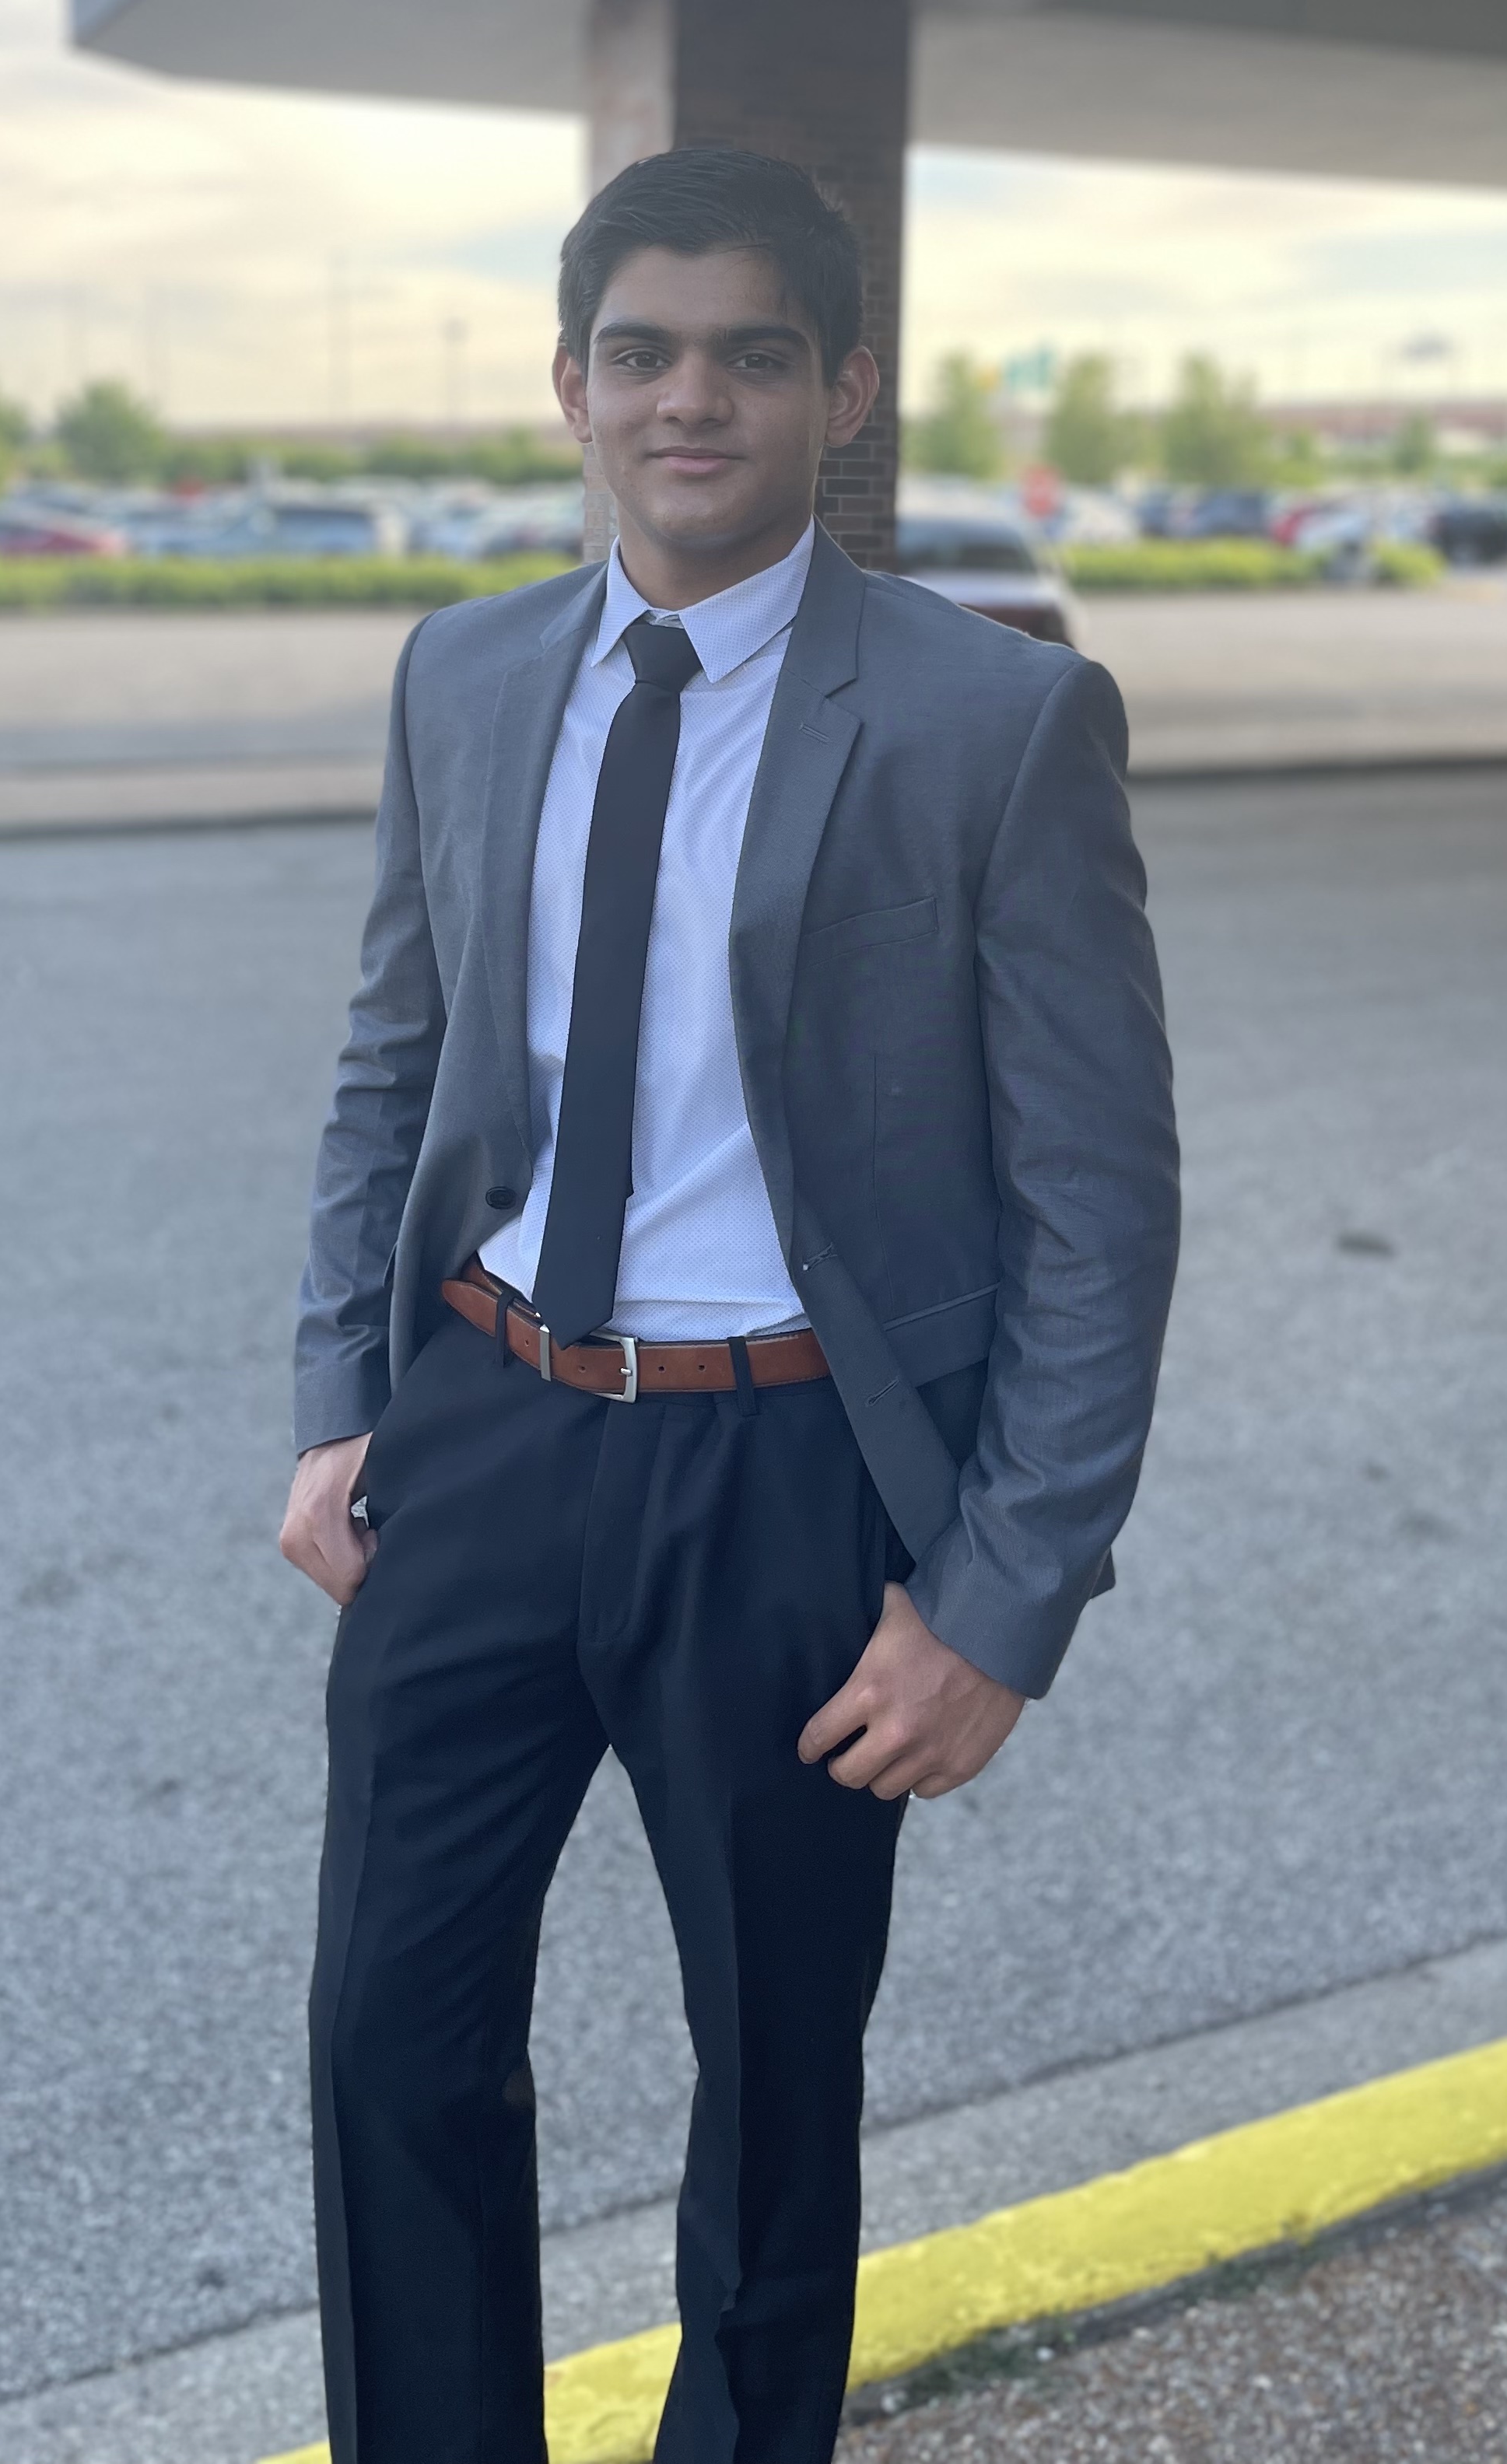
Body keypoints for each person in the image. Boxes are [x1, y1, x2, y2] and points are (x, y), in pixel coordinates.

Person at [282, 145, 1179, 2464]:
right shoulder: (465, 675)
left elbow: (1100, 1200)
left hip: (787, 1482)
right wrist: (335, 1388)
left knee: (773, 2093)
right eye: (647, 353)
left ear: (843, 390)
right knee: (390, 2038)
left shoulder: (995, 722)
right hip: (481, 1431)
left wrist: (1005, 1591)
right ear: (571, 384)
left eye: (754, 355)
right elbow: (398, 1050)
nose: (696, 400)